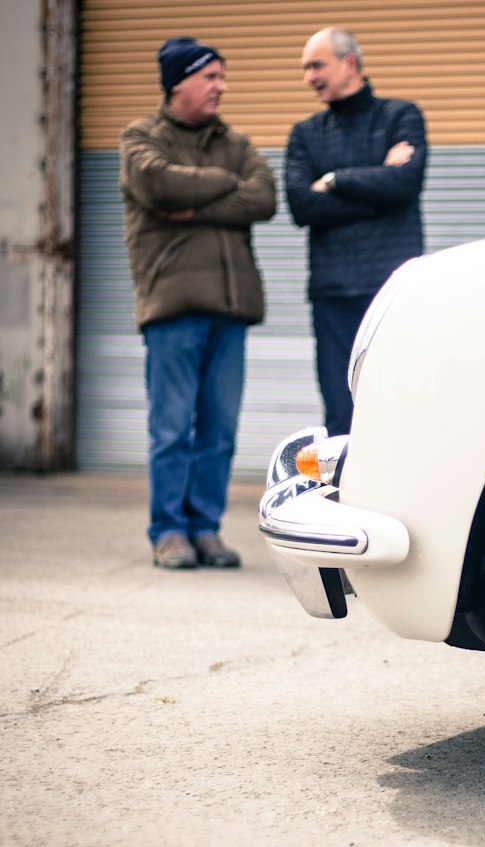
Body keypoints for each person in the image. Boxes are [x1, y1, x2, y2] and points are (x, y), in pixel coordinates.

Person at [119, 37, 276, 569]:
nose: (221, 87)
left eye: (222, 77)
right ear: (178, 82)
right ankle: (169, 531)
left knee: (218, 428)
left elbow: (264, 196)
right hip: (173, 307)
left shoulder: (234, 142)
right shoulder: (141, 138)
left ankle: (205, 528)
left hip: (230, 310)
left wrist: (201, 200)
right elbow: (158, 184)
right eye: (211, 76)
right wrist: (224, 188)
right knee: (171, 428)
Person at [285, 27, 427, 435]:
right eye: (305, 68)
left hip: (391, 290)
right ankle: (341, 495)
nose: (308, 77)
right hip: (332, 294)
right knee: (340, 414)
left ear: (349, 64)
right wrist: (377, 178)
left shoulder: (401, 116)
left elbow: (404, 185)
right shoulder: (305, 133)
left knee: (398, 403)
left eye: (316, 65)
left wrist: (331, 179)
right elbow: (301, 205)